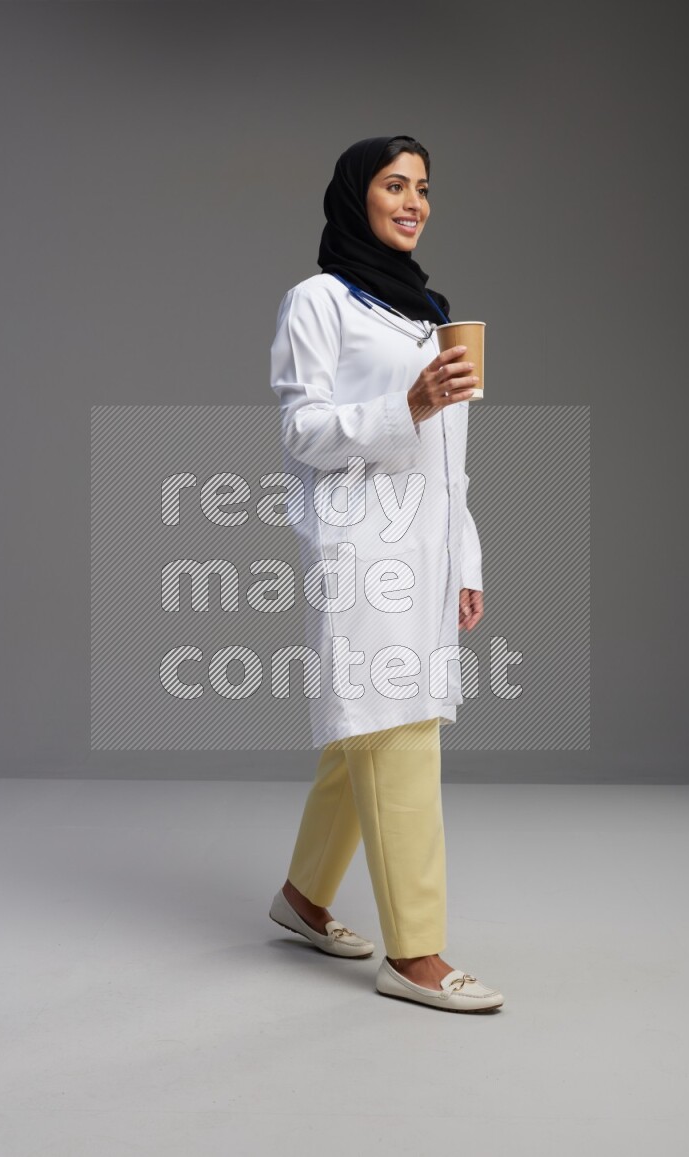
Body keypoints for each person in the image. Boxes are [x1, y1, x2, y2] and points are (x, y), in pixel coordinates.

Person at [267, 135, 504, 1012]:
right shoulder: (319, 301)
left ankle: (302, 897)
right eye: (395, 185)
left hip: (427, 547)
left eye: (424, 188)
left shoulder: (427, 311)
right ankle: (415, 953)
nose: (414, 202)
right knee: (400, 732)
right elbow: (302, 431)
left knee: (364, 733)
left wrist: (466, 557)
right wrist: (405, 402)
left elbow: (449, 464)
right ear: (354, 199)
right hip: (361, 549)